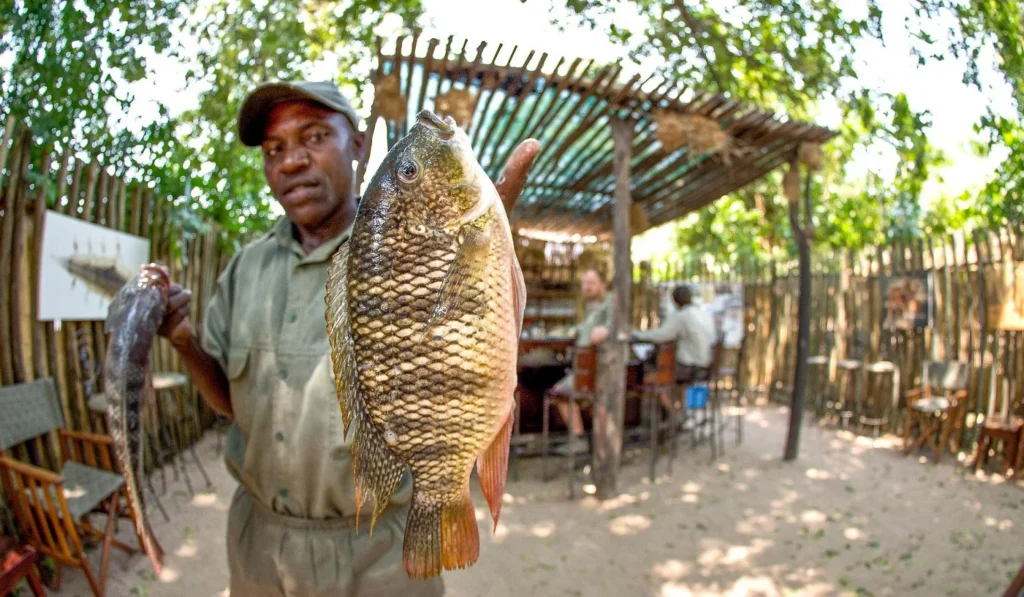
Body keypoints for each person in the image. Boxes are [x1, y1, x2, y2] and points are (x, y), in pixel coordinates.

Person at [155, 80, 540, 597]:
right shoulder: (245, 268)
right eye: (274, 149)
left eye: (314, 136)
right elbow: (228, 403)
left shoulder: (411, 247)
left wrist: (484, 260)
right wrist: (183, 339)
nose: (292, 161)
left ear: (358, 143)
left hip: (377, 548)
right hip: (258, 546)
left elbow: (475, 348)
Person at [551, 268, 614, 455]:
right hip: (588, 369)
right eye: (584, 283)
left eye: (591, 283)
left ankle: (579, 439)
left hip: (599, 369)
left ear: (604, 285)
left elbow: (617, 324)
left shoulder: (611, 302)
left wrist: (606, 330)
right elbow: (586, 328)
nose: (586, 287)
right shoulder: (593, 307)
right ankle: (586, 441)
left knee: (558, 392)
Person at [633, 284, 717, 386]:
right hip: (706, 365)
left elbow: (662, 335)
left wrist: (637, 335)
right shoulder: (703, 314)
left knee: (649, 373)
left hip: (690, 367)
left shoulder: (682, 316)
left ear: (675, 301)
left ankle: (664, 397)